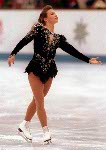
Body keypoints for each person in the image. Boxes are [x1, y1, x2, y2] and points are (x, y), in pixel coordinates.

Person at [7, 5, 102, 144]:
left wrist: (88, 60)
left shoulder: (58, 38)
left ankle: (24, 125)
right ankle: (46, 132)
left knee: (37, 100)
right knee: (40, 101)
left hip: (50, 70)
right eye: (52, 14)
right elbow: (24, 40)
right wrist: (13, 54)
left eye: (55, 13)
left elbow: (71, 50)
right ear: (45, 18)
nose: (56, 15)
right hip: (36, 68)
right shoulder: (38, 29)